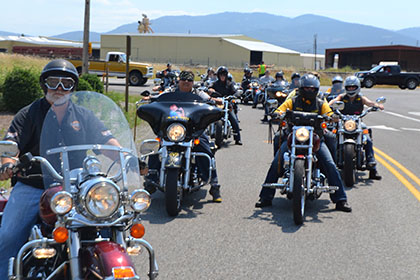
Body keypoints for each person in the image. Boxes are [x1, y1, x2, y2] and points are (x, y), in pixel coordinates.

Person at [0, 59, 123, 278]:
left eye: (66, 83)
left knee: (110, 223)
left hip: (76, 187)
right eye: (53, 82)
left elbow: (107, 141)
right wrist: (8, 163)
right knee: (8, 235)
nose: (59, 88)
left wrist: (127, 158)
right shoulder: (27, 114)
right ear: (43, 84)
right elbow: (11, 146)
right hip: (34, 184)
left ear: (73, 87)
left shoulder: (84, 115)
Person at [255, 74, 352, 212]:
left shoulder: (320, 102)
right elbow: (281, 109)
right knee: (277, 160)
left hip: (315, 139)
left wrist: (333, 117)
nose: (310, 91)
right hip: (293, 138)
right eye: (307, 88)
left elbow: (330, 113)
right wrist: (277, 113)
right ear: (301, 88)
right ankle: (265, 197)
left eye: (312, 89)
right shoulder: (293, 101)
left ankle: (341, 199)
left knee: (330, 164)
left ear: (317, 89)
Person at [144, 70, 223, 202]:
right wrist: (150, 99)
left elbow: (208, 99)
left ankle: (214, 185)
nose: (186, 82)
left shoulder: (198, 93)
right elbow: (160, 98)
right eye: (183, 79)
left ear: (193, 82)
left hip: (193, 129)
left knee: (205, 148)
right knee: (157, 146)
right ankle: (151, 180)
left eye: (189, 80)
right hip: (172, 129)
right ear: (179, 80)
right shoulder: (171, 91)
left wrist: (214, 101)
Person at [328, 75, 383, 180]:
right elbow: (333, 102)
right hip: (343, 121)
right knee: (332, 137)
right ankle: (329, 163)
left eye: (353, 87)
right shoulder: (342, 97)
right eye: (349, 87)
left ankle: (372, 166)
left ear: (357, 87)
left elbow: (369, 103)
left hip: (357, 122)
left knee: (367, 139)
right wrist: (327, 106)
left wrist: (377, 105)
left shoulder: (361, 98)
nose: (351, 89)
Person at [208, 66, 243, 145]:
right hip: (217, 104)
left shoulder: (229, 84)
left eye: (224, 74)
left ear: (226, 75)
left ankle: (238, 139)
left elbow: (234, 91)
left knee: (234, 119)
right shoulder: (215, 84)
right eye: (221, 74)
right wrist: (210, 90)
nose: (222, 76)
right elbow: (210, 88)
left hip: (227, 105)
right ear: (218, 75)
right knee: (206, 117)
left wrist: (236, 94)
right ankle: (203, 137)